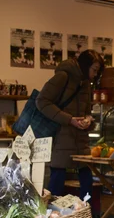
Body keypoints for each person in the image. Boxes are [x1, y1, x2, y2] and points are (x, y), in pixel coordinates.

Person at [37, 49, 104, 199]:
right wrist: (69, 119)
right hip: (60, 138)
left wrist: (88, 120)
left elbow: (87, 111)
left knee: (87, 182)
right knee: (57, 183)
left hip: (80, 140)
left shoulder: (86, 83)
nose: (95, 74)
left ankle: (86, 212)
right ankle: (51, 213)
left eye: (97, 71)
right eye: (94, 70)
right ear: (85, 66)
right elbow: (41, 101)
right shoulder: (63, 76)